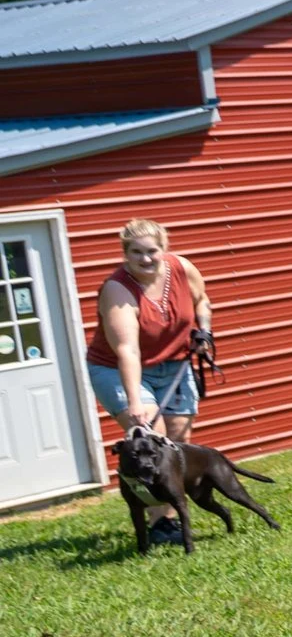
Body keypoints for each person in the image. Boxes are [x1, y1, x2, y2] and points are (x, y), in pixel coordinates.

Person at [86, 219, 214, 546]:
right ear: (125, 254)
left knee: (179, 439)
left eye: (151, 251)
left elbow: (202, 301)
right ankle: (161, 525)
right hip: (118, 369)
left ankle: (167, 515)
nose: (146, 259)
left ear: (164, 249)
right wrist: (134, 403)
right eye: (136, 252)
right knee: (153, 443)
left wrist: (203, 330)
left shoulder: (182, 269)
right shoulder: (118, 289)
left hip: (174, 364)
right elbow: (128, 350)